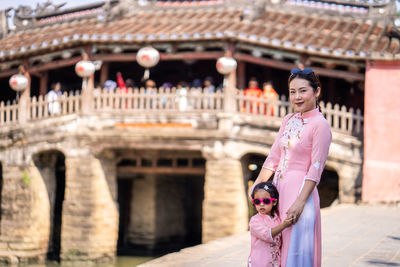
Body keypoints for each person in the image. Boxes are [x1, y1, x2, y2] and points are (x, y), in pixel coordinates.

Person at [249, 68, 332, 267]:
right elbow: (273, 157)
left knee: (295, 251)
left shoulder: (320, 125)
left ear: (317, 91)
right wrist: (258, 186)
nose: (297, 97)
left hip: (300, 193)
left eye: (303, 91)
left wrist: (300, 202)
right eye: (293, 92)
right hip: (278, 191)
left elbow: (315, 168)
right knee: (277, 248)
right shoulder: (287, 120)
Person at [248, 182, 293, 267]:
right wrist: (284, 225)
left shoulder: (278, 219)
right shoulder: (255, 221)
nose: (261, 204)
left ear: (274, 202)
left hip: (275, 262)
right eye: (257, 201)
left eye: (266, 201)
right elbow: (266, 235)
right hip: (259, 262)